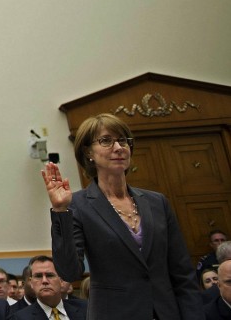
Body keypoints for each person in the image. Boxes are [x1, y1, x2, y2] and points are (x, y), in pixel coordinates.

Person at [42, 112, 201, 320]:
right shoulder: (78, 205)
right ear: (88, 151)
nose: (118, 148)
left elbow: (182, 274)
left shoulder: (157, 202)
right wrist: (61, 211)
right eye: (106, 141)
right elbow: (70, 272)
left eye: (123, 141)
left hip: (166, 313)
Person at [10, 257, 85, 320]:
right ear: (31, 283)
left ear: (61, 280)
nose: (44, 281)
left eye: (50, 275)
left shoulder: (85, 308)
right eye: (38, 276)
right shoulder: (19, 318)